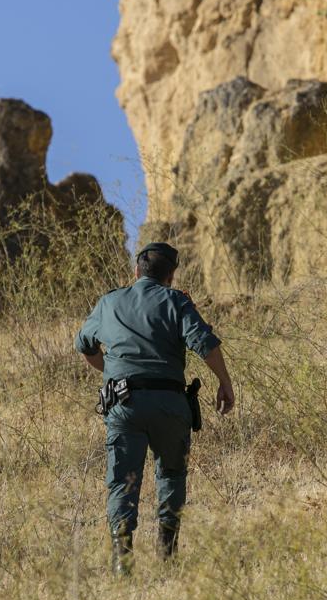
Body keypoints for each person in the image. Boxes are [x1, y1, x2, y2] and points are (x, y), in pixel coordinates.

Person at [75, 242, 235, 575]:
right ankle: (168, 553)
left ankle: (123, 560)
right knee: (172, 475)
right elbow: (205, 343)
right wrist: (225, 383)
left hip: (124, 404)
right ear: (171, 275)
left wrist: (113, 372)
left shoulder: (109, 302)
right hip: (170, 403)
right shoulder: (176, 301)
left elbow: (85, 346)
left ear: (136, 271)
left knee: (123, 482)